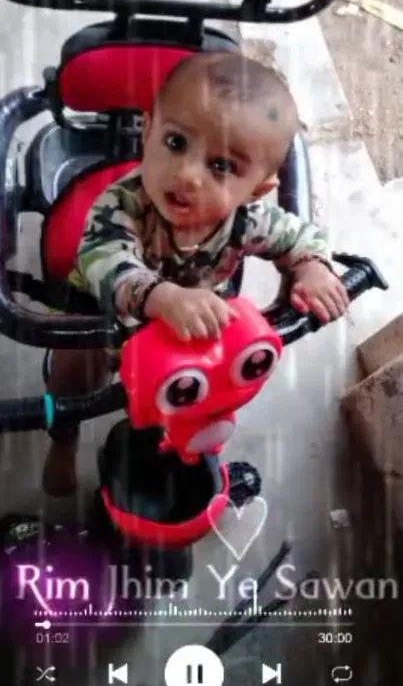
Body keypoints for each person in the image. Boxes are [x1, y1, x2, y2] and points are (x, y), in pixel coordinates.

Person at [42, 51, 349, 496]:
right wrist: (161, 297)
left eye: (222, 166)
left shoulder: (246, 219)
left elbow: (297, 236)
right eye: (175, 143)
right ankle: (63, 442)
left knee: (206, 390)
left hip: (186, 335)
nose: (187, 175)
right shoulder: (124, 205)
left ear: (255, 191)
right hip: (103, 318)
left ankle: (181, 436)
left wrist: (312, 267)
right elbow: (103, 258)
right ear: (147, 132)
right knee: (72, 377)